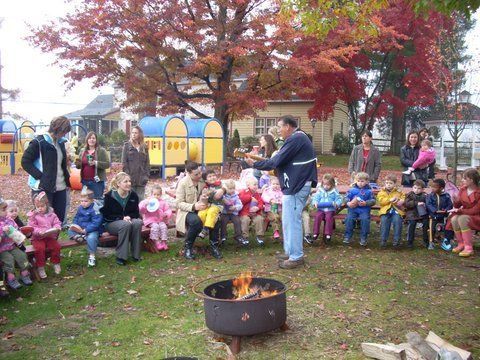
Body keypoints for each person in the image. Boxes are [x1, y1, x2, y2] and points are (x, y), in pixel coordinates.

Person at [244, 115, 317, 269]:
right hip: (295, 185)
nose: (278, 130)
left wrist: (255, 164)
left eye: (280, 127)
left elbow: (276, 161)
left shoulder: (295, 139)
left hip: (297, 185)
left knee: (293, 221)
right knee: (288, 219)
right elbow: (281, 163)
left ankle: (296, 257)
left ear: (288, 127)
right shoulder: (299, 138)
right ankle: (290, 251)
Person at [21, 116, 72, 223]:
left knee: (58, 220)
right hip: (43, 187)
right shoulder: (39, 142)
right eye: (64, 131)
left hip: (61, 187)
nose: (65, 134)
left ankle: (55, 240)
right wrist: (41, 177)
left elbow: (59, 164)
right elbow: (25, 162)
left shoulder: (61, 143)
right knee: (44, 221)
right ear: (58, 129)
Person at [175, 161, 222, 260]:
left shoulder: (202, 180)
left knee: (216, 219)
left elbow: (217, 184)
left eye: (200, 172)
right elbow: (178, 203)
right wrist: (193, 206)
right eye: (196, 174)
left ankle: (214, 246)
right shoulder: (183, 183)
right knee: (195, 221)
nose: (200, 175)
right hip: (187, 211)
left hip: (204, 208)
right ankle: (188, 248)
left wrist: (223, 190)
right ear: (188, 173)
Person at [100, 172, 143, 265]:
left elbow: (136, 213)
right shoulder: (109, 196)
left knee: (138, 223)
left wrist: (129, 217)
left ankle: (136, 255)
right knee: (125, 225)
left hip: (128, 220)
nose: (129, 184)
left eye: (129, 181)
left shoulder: (133, 195)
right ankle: (121, 256)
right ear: (118, 184)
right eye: (125, 181)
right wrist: (121, 218)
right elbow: (106, 215)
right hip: (111, 223)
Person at [27, 192, 62, 278]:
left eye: (42, 206)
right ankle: (41, 267)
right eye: (38, 207)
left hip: (49, 236)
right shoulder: (33, 216)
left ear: (47, 205)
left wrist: (57, 227)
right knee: (40, 249)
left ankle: (56, 263)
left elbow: (57, 222)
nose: (40, 209)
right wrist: (39, 232)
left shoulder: (52, 214)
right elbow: (32, 227)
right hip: (37, 238)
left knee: (56, 246)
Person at [447, 168, 480, 257]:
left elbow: (476, 210)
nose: (462, 180)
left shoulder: (479, 192)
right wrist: (455, 201)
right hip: (466, 214)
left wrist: (460, 211)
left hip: (477, 217)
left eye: (464, 178)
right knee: (454, 219)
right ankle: (461, 244)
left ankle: (468, 247)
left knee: (462, 218)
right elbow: (457, 205)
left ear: (472, 180)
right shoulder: (463, 189)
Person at [0, 198, 32, 289]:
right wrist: (2, 231)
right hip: (2, 249)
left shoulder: (9, 219)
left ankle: (24, 274)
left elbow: (16, 229)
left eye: (6, 209)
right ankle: (11, 278)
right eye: (3, 210)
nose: (6, 211)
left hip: (12, 246)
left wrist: (20, 237)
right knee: (9, 260)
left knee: (22, 256)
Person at [68, 188, 103, 267]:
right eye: (82, 201)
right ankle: (78, 236)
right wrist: (74, 225)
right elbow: (76, 217)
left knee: (91, 238)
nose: (83, 203)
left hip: (92, 230)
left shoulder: (95, 209)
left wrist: (86, 230)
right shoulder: (80, 208)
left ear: (92, 200)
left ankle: (92, 255)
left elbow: (96, 223)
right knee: (70, 230)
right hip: (81, 229)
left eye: (85, 201)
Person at [343, 172, 376, 246]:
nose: (360, 183)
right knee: (349, 219)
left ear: (367, 181)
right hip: (353, 209)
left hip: (364, 210)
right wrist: (348, 203)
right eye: (358, 181)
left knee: (365, 220)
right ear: (356, 181)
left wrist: (366, 203)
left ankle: (363, 237)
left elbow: (373, 201)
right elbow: (345, 198)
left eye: (362, 181)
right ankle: (348, 236)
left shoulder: (369, 191)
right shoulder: (352, 190)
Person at [75, 131, 110, 200]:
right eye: (90, 138)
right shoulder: (82, 151)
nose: (91, 140)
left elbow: (107, 164)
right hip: (84, 181)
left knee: (97, 201)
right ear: (87, 140)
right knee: (85, 201)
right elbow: (78, 166)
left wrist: (96, 163)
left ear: (96, 140)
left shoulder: (101, 151)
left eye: (93, 138)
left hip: (97, 182)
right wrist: (77, 163)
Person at [311, 174, 343, 244]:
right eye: (324, 184)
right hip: (321, 209)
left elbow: (339, 199)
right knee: (318, 217)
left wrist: (337, 204)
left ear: (332, 184)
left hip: (330, 209)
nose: (326, 186)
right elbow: (315, 197)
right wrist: (315, 202)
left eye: (328, 185)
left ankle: (328, 234)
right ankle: (315, 232)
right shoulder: (320, 190)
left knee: (329, 218)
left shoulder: (334, 191)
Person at [139, 184, 173, 251]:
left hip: (160, 220)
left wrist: (166, 214)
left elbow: (168, 210)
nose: (156, 196)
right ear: (151, 194)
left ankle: (164, 242)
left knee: (163, 227)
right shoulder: (148, 202)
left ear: (161, 195)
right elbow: (141, 209)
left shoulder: (163, 202)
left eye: (158, 194)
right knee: (155, 227)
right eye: (154, 194)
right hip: (150, 220)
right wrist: (145, 204)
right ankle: (156, 241)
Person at [122, 125, 150, 200]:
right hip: (130, 179)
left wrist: (146, 176)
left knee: (140, 201)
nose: (133, 134)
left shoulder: (144, 147)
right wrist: (127, 177)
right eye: (132, 133)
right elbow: (124, 163)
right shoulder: (127, 146)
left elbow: (147, 163)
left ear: (140, 134)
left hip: (142, 179)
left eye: (136, 133)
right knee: (130, 200)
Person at [377, 174, 405, 248]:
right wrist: (389, 200)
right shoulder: (382, 192)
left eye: (390, 183)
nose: (388, 185)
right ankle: (383, 240)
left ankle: (396, 241)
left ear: (394, 184)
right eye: (387, 183)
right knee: (384, 221)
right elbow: (381, 201)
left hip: (396, 210)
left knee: (397, 221)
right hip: (385, 211)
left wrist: (401, 200)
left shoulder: (399, 192)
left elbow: (403, 198)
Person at [426, 178, 453, 250]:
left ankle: (446, 241)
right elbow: (428, 204)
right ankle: (431, 242)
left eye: (435, 187)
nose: (433, 188)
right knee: (432, 229)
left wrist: (446, 210)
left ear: (441, 188)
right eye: (432, 186)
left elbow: (450, 204)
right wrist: (434, 211)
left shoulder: (446, 196)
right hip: (433, 216)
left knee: (445, 229)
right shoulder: (430, 195)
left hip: (443, 216)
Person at [197, 170, 225, 239]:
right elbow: (203, 200)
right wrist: (204, 197)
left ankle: (206, 229)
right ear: (206, 180)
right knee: (201, 213)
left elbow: (218, 196)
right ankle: (205, 227)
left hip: (217, 205)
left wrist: (221, 190)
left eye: (214, 175)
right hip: (208, 205)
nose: (212, 177)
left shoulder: (220, 185)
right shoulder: (205, 188)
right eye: (210, 176)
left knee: (211, 211)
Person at [220, 179, 248, 246]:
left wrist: (235, 207)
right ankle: (223, 236)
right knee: (223, 221)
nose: (232, 190)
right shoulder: (223, 196)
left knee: (237, 221)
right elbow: (220, 204)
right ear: (226, 189)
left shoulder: (236, 196)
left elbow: (240, 205)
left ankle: (238, 236)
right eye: (230, 189)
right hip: (225, 213)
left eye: (233, 188)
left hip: (233, 213)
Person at [239, 177, 266, 245]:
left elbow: (261, 203)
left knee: (259, 219)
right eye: (254, 184)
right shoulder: (244, 192)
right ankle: (245, 237)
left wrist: (257, 208)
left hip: (255, 213)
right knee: (245, 220)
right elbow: (241, 200)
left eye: (257, 184)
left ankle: (259, 236)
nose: (256, 186)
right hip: (245, 213)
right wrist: (250, 198)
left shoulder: (257, 194)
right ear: (248, 185)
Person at [404, 180, 429, 249]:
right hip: (412, 213)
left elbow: (429, 204)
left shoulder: (425, 196)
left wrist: (425, 204)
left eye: (419, 188)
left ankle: (426, 241)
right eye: (415, 188)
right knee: (412, 223)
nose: (416, 190)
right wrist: (416, 203)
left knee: (426, 223)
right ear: (412, 187)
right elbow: (406, 204)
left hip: (422, 214)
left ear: (423, 189)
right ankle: (410, 242)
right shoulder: (410, 195)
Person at [261, 176, 283, 240]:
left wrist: (280, 201)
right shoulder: (267, 190)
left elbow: (284, 198)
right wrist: (270, 200)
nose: (275, 185)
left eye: (277, 184)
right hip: (270, 209)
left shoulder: (281, 191)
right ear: (270, 184)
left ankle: (284, 233)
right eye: (273, 184)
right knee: (275, 217)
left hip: (280, 209)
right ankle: (276, 231)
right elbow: (264, 197)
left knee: (284, 218)